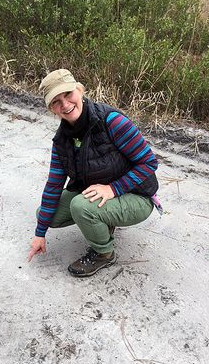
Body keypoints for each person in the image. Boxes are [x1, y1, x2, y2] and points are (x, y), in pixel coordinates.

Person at [28, 69, 162, 277]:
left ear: (80, 90)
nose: (65, 104)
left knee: (80, 206)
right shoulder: (61, 140)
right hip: (100, 193)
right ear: (51, 109)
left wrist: (113, 189)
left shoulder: (111, 121)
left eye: (68, 94)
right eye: (56, 101)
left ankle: (104, 253)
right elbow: (54, 184)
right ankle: (103, 220)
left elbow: (148, 163)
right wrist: (40, 233)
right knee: (45, 215)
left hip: (137, 196)